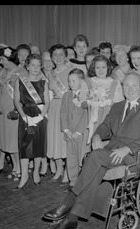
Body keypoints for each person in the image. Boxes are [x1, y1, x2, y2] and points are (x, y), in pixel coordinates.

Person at [43, 71, 140, 229]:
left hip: (133, 157)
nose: (130, 88)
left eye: (134, 85)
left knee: (95, 157)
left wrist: (128, 148)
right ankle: (72, 219)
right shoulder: (117, 106)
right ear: (122, 87)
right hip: (111, 154)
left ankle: (68, 202)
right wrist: (97, 136)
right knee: (94, 166)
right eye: (126, 85)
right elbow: (105, 126)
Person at [14, 53, 50, 190]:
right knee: (24, 147)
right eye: (32, 65)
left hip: (39, 117)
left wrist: (40, 117)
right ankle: (24, 176)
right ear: (27, 66)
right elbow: (16, 101)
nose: (35, 68)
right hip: (26, 116)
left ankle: (36, 173)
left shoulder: (43, 83)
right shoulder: (20, 81)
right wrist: (24, 117)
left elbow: (47, 102)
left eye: (38, 65)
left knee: (38, 146)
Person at [0, 46, 25, 181]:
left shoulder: (21, 72)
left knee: (15, 140)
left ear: (9, 58)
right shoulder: (2, 72)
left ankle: (20, 168)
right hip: (3, 111)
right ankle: (15, 166)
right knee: (8, 140)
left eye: (2, 58)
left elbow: (25, 94)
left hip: (15, 110)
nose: (0, 62)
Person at [46, 44, 73, 183]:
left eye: (61, 54)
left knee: (66, 140)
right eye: (55, 55)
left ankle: (68, 172)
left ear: (66, 56)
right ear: (51, 57)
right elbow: (50, 94)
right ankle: (58, 170)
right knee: (55, 139)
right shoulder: (50, 74)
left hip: (67, 106)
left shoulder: (71, 71)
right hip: (55, 107)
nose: (58, 57)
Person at [85, 55, 124, 144]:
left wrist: (108, 102)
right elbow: (83, 101)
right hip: (92, 118)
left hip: (109, 118)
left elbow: (120, 103)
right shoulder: (89, 82)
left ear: (108, 68)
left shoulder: (115, 82)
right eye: (97, 68)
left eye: (103, 67)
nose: (101, 70)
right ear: (93, 68)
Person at [60, 68, 88, 190]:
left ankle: (81, 183)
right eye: (69, 81)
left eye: (73, 81)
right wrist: (66, 129)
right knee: (70, 158)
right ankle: (72, 181)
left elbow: (86, 115)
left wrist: (78, 131)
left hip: (79, 134)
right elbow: (63, 113)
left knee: (80, 158)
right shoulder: (66, 95)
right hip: (69, 132)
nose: (70, 84)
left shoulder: (86, 95)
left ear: (82, 81)